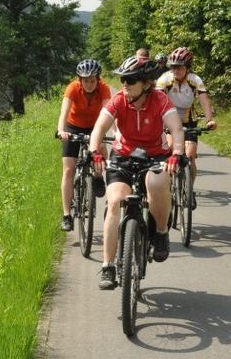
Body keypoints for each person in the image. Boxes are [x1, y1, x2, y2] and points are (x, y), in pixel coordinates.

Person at [88, 56, 185, 290]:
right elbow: (99, 129)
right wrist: (95, 152)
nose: (125, 84)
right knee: (115, 201)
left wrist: (177, 153)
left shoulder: (160, 100)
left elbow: (176, 128)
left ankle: (161, 232)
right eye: (123, 79)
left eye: (131, 80)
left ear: (146, 83)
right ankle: (108, 266)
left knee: (158, 181)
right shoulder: (118, 100)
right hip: (122, 156)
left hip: (155, 155)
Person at [156, 46, 216, 209]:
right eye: (173, 66)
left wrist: (209, 120)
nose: (176, 70)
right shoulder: (164, 79)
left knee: (189, 157)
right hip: (169, 119)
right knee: (170, 148)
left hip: (189, 121)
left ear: (187, 68)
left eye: (180, 67)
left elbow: (204, 100)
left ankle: (188, 189)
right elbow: (157, 102)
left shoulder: (195, 80)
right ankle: (169, 185)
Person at [57, 59, 111, 231]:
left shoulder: (104, 88)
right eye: (85, 80)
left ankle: (97, 177)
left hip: (94, 126)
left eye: (92, 80)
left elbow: (108, 112)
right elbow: (64, 111)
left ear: (98, 79)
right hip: (72, 127)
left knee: (101, 147)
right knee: (68, 170)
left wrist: (115, 133)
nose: (89, 84)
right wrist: (61, 131)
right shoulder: (72, 88)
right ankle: (67, 215)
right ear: (80, 80)